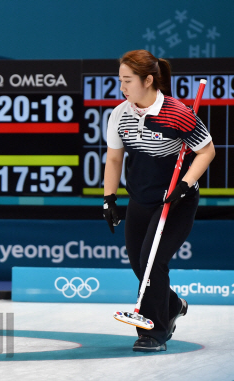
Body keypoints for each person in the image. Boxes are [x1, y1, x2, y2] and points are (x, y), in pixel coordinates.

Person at [103, 50, 215, 352]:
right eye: (120, 81)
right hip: (140, 199)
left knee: (153, 263)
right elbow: (114, 158)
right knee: (140, 266)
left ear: (148, 80)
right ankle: (174, 303)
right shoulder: (120, 114)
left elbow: (206, 152)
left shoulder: (178, 114)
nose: (123, 87)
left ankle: (153, 331)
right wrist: (109, 198)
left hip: (175, 201)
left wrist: (185, 184)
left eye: (128, 81)